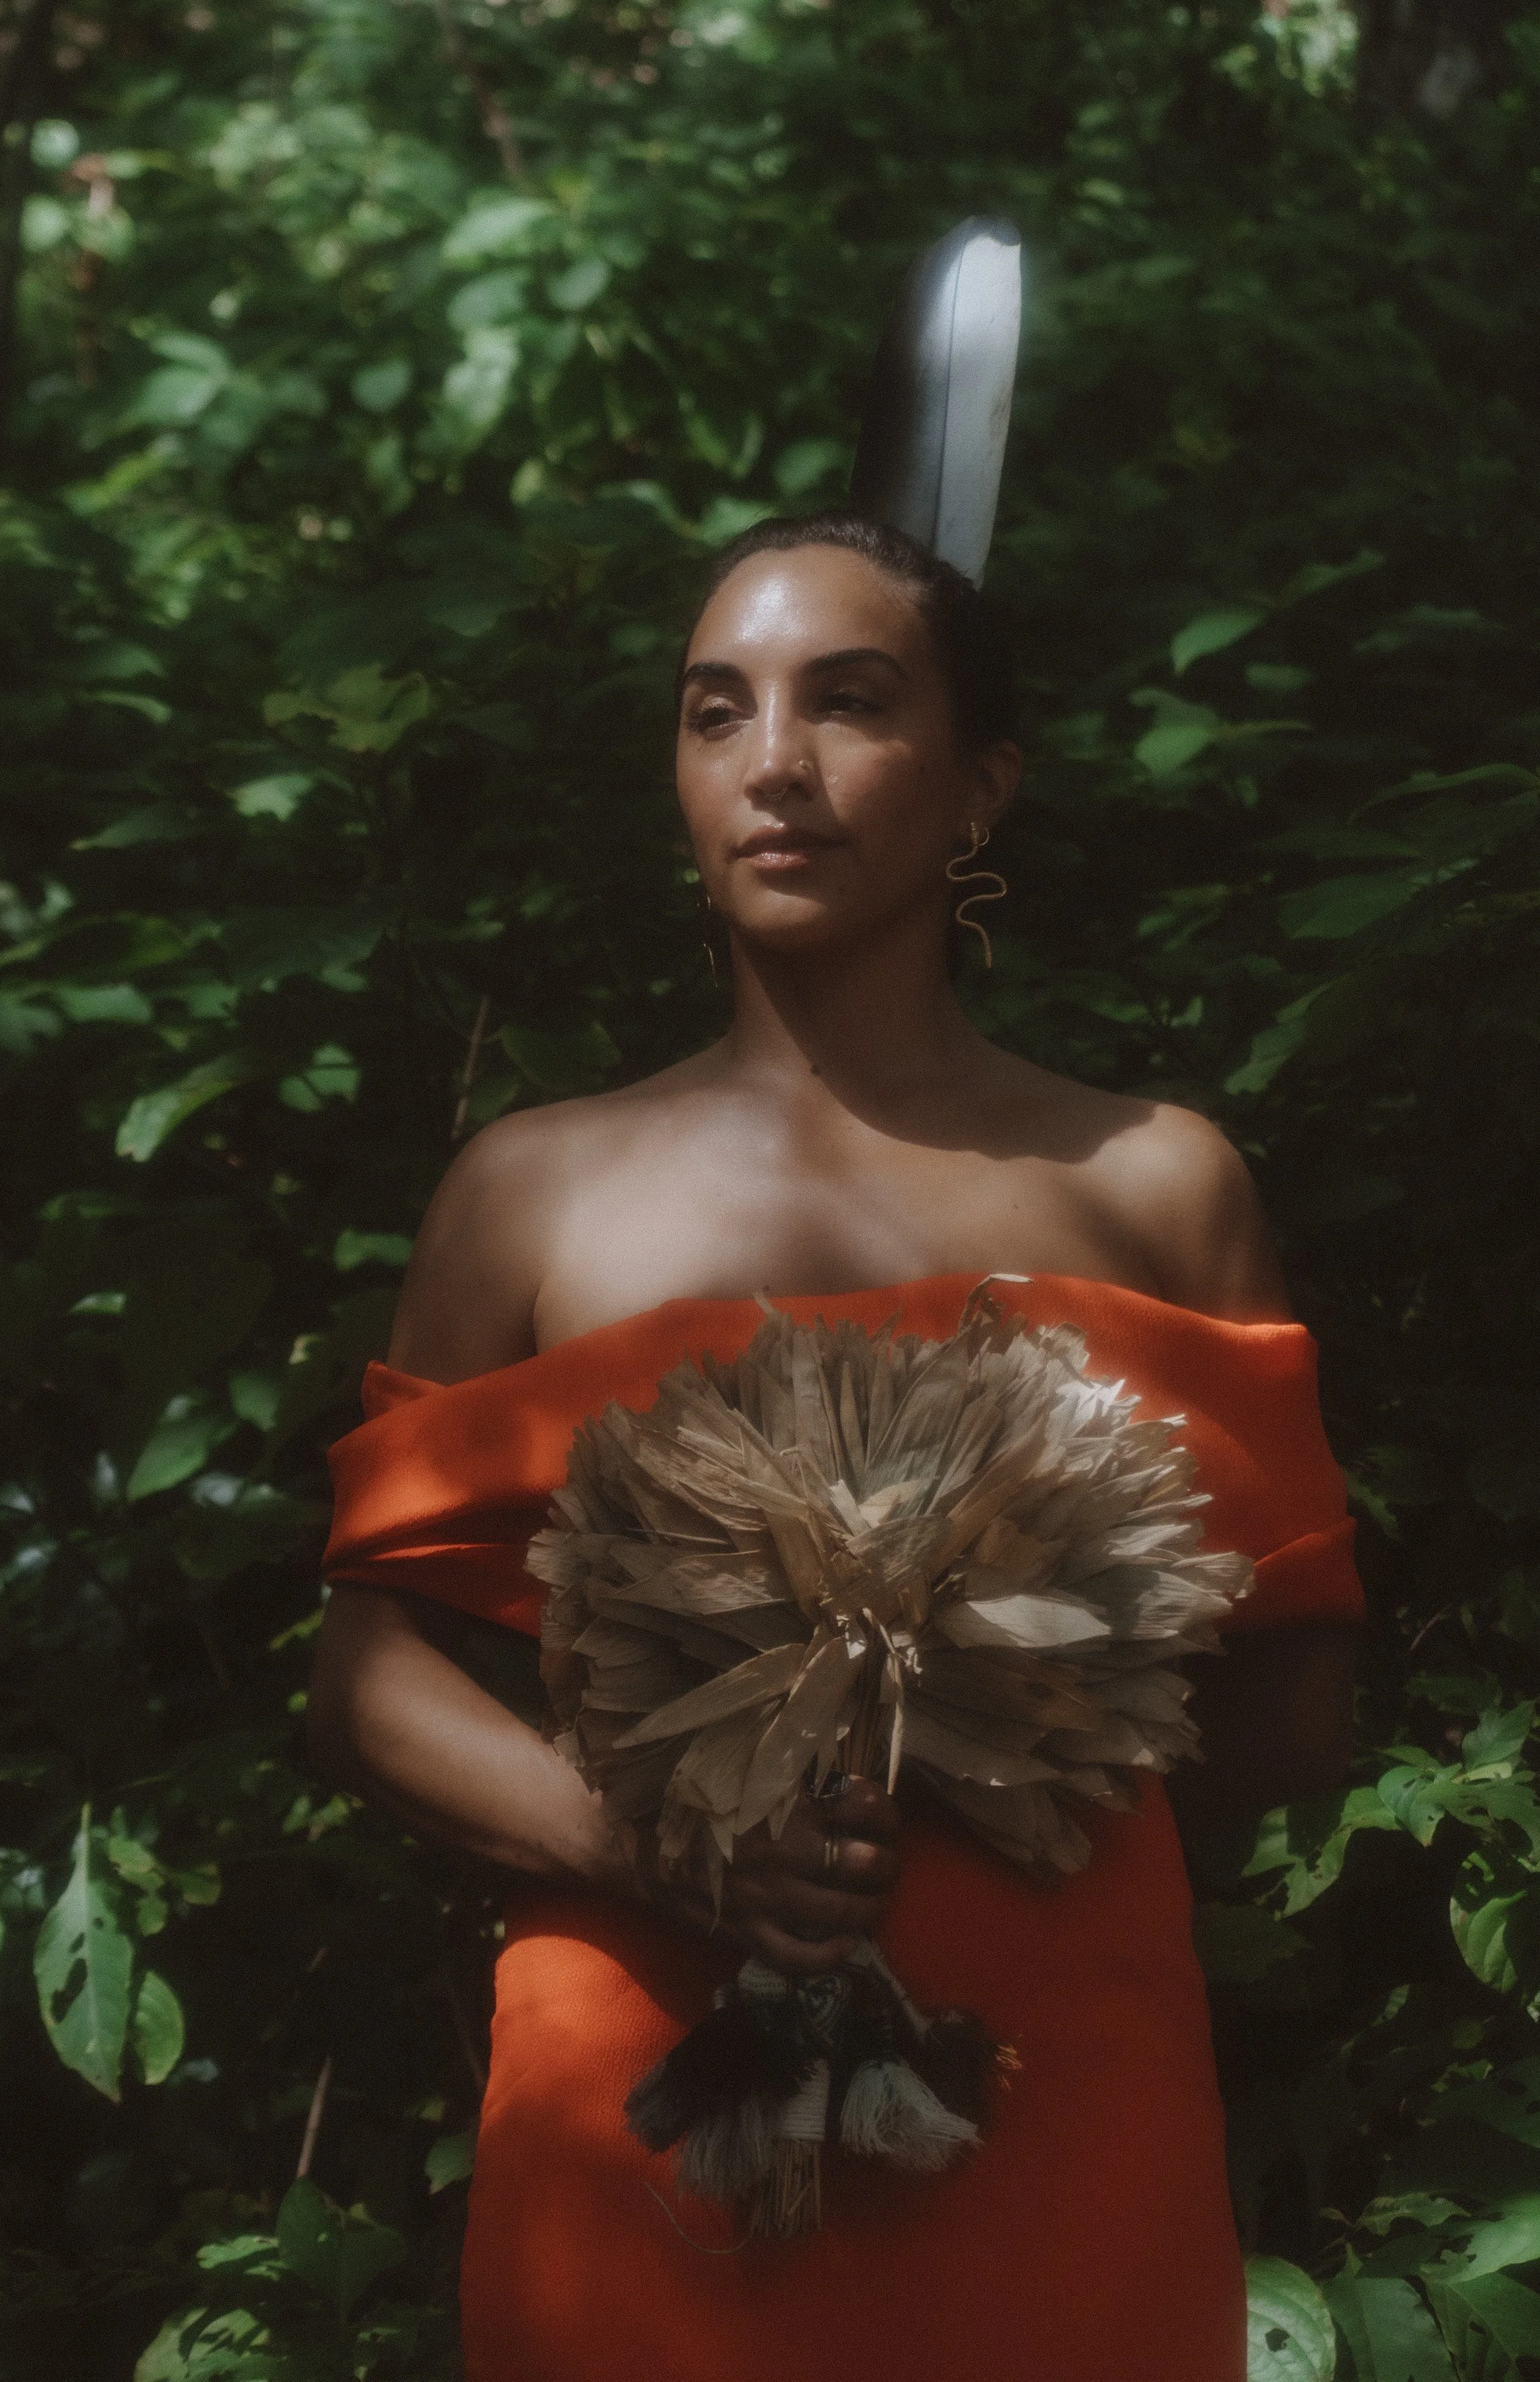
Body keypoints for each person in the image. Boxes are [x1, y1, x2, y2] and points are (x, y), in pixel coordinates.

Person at [310, 512, 1364, 2381]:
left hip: (1057, 2078)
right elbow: (372, 1664)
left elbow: (1294, 1702)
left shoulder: (1152, 1182)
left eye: (848, 703)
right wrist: (644, 1838)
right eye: (717, 712)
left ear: (981, 792)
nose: (771, 763)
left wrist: (1005, 1690)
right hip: (640, 2086)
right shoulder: (532, 1190)